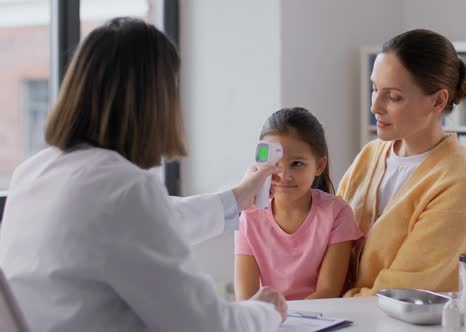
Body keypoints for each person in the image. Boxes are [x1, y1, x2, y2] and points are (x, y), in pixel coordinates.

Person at [0, 18, 287, 332]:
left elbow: (149, 223)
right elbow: (208, 326)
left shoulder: (33, 173)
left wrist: (235, 200)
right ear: (156, 102)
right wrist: (265, 311)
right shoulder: (124, 190)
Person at [338, 29, 466, 297]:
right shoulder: (371, 154)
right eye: (374, 89)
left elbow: (404, 293)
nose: (375, 106)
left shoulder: (461, 181)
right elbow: (328, 240)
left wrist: (325, 301)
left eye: (393, 96)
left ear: (438, 100)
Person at [234, 108, 363, 301]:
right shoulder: (249, 218)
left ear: (319, 165)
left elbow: (327, 292)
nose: (284, 176)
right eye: (275, 164)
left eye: (296, 164)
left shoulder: (337, 213)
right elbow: (246, 299)